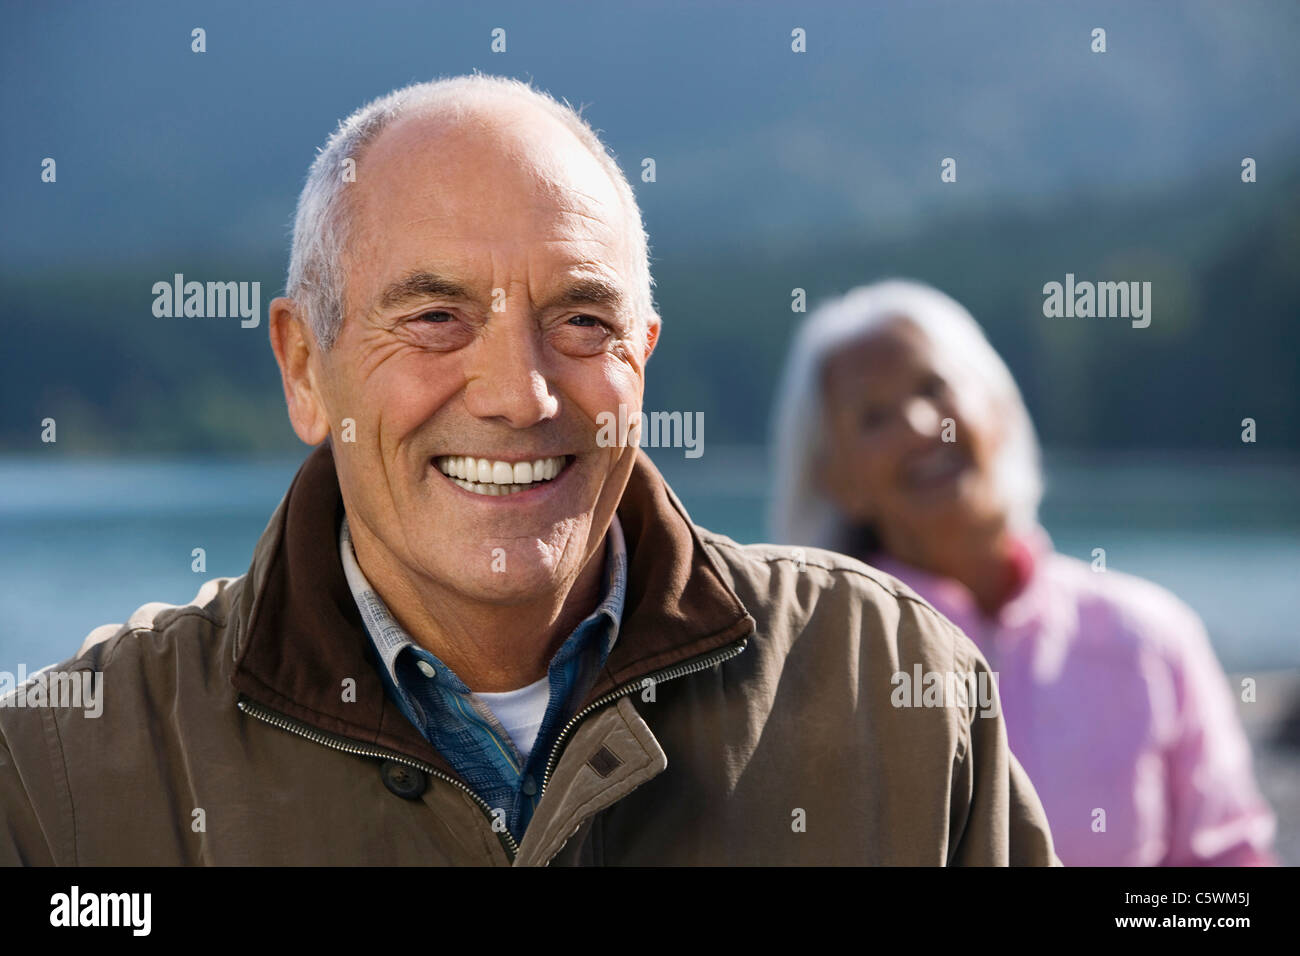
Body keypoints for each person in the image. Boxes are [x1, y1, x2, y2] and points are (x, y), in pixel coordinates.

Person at [0, 78, 1058, 866]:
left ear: (639, 359)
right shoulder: (67, 769)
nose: (519, 391)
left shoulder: (892, 686)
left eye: (581, 320)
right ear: (302, 365)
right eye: (433, 317)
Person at [769, 279, 1277, 866]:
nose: (916, 423)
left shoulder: (1150, 635)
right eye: (873, 416)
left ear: (1000, 409)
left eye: (934, 387)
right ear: (837, 480)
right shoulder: (805, 664)